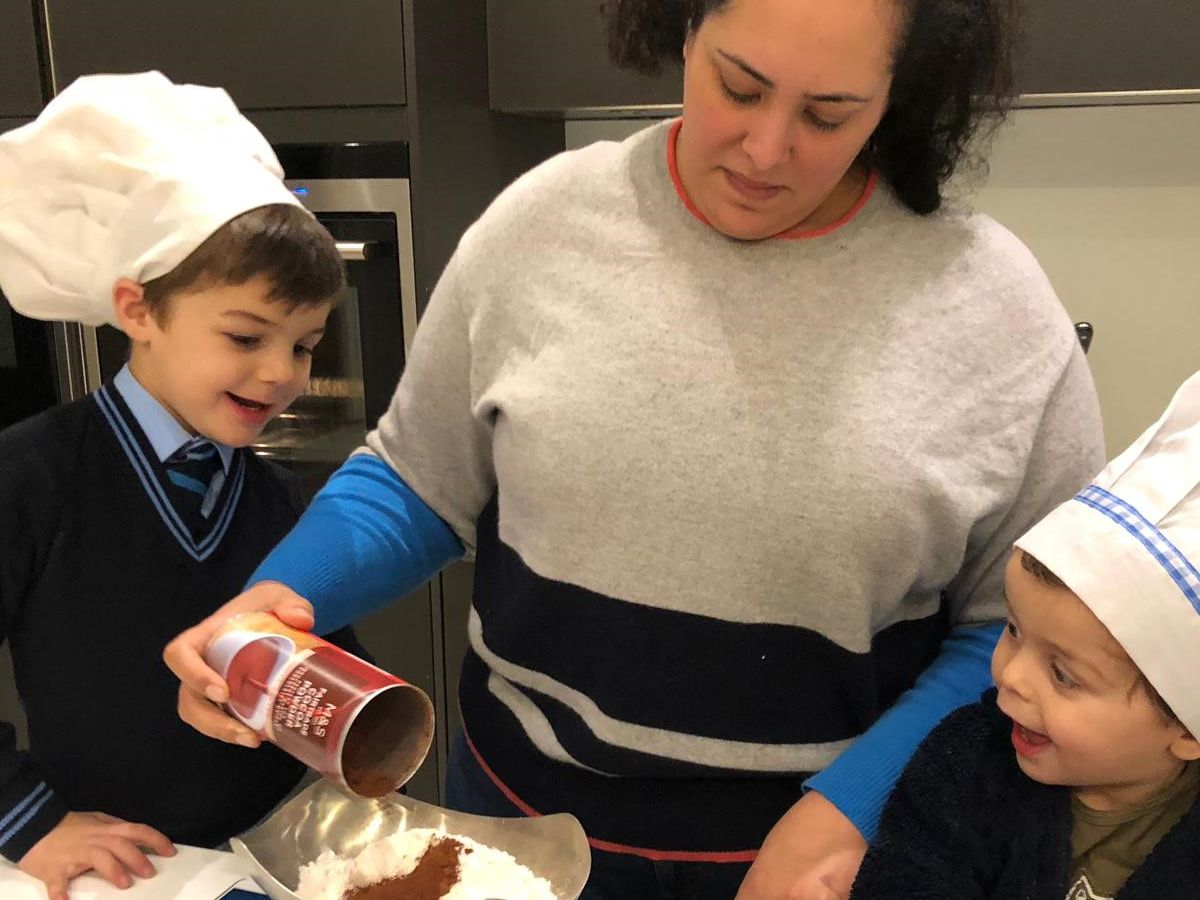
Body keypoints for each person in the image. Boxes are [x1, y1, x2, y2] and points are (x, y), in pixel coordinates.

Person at [163, 0, 1106, 897]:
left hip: (816, 859)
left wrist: (847, 812)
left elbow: (1013, 631)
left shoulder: (993, 308)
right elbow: (416, 479)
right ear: (683, 28)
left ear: (905, 93)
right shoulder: (541, 224)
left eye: (828, 114)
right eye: (739, 88)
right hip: (518, 837)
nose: (766, 148)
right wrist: (284, 599)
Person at [0, 71, 365, 900]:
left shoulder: (273, 498)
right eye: (246, 336)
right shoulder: (33, 476)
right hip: (118, 867)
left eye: (306, 345)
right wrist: (26, 821)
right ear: (138, 309)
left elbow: (321, 668)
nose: (282, 374)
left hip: (269, 858)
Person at [849, 371, 1200, 900]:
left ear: (1188, 729)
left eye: (1064, 674)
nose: (1009, 675)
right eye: (1014, 629)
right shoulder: (966, 768)